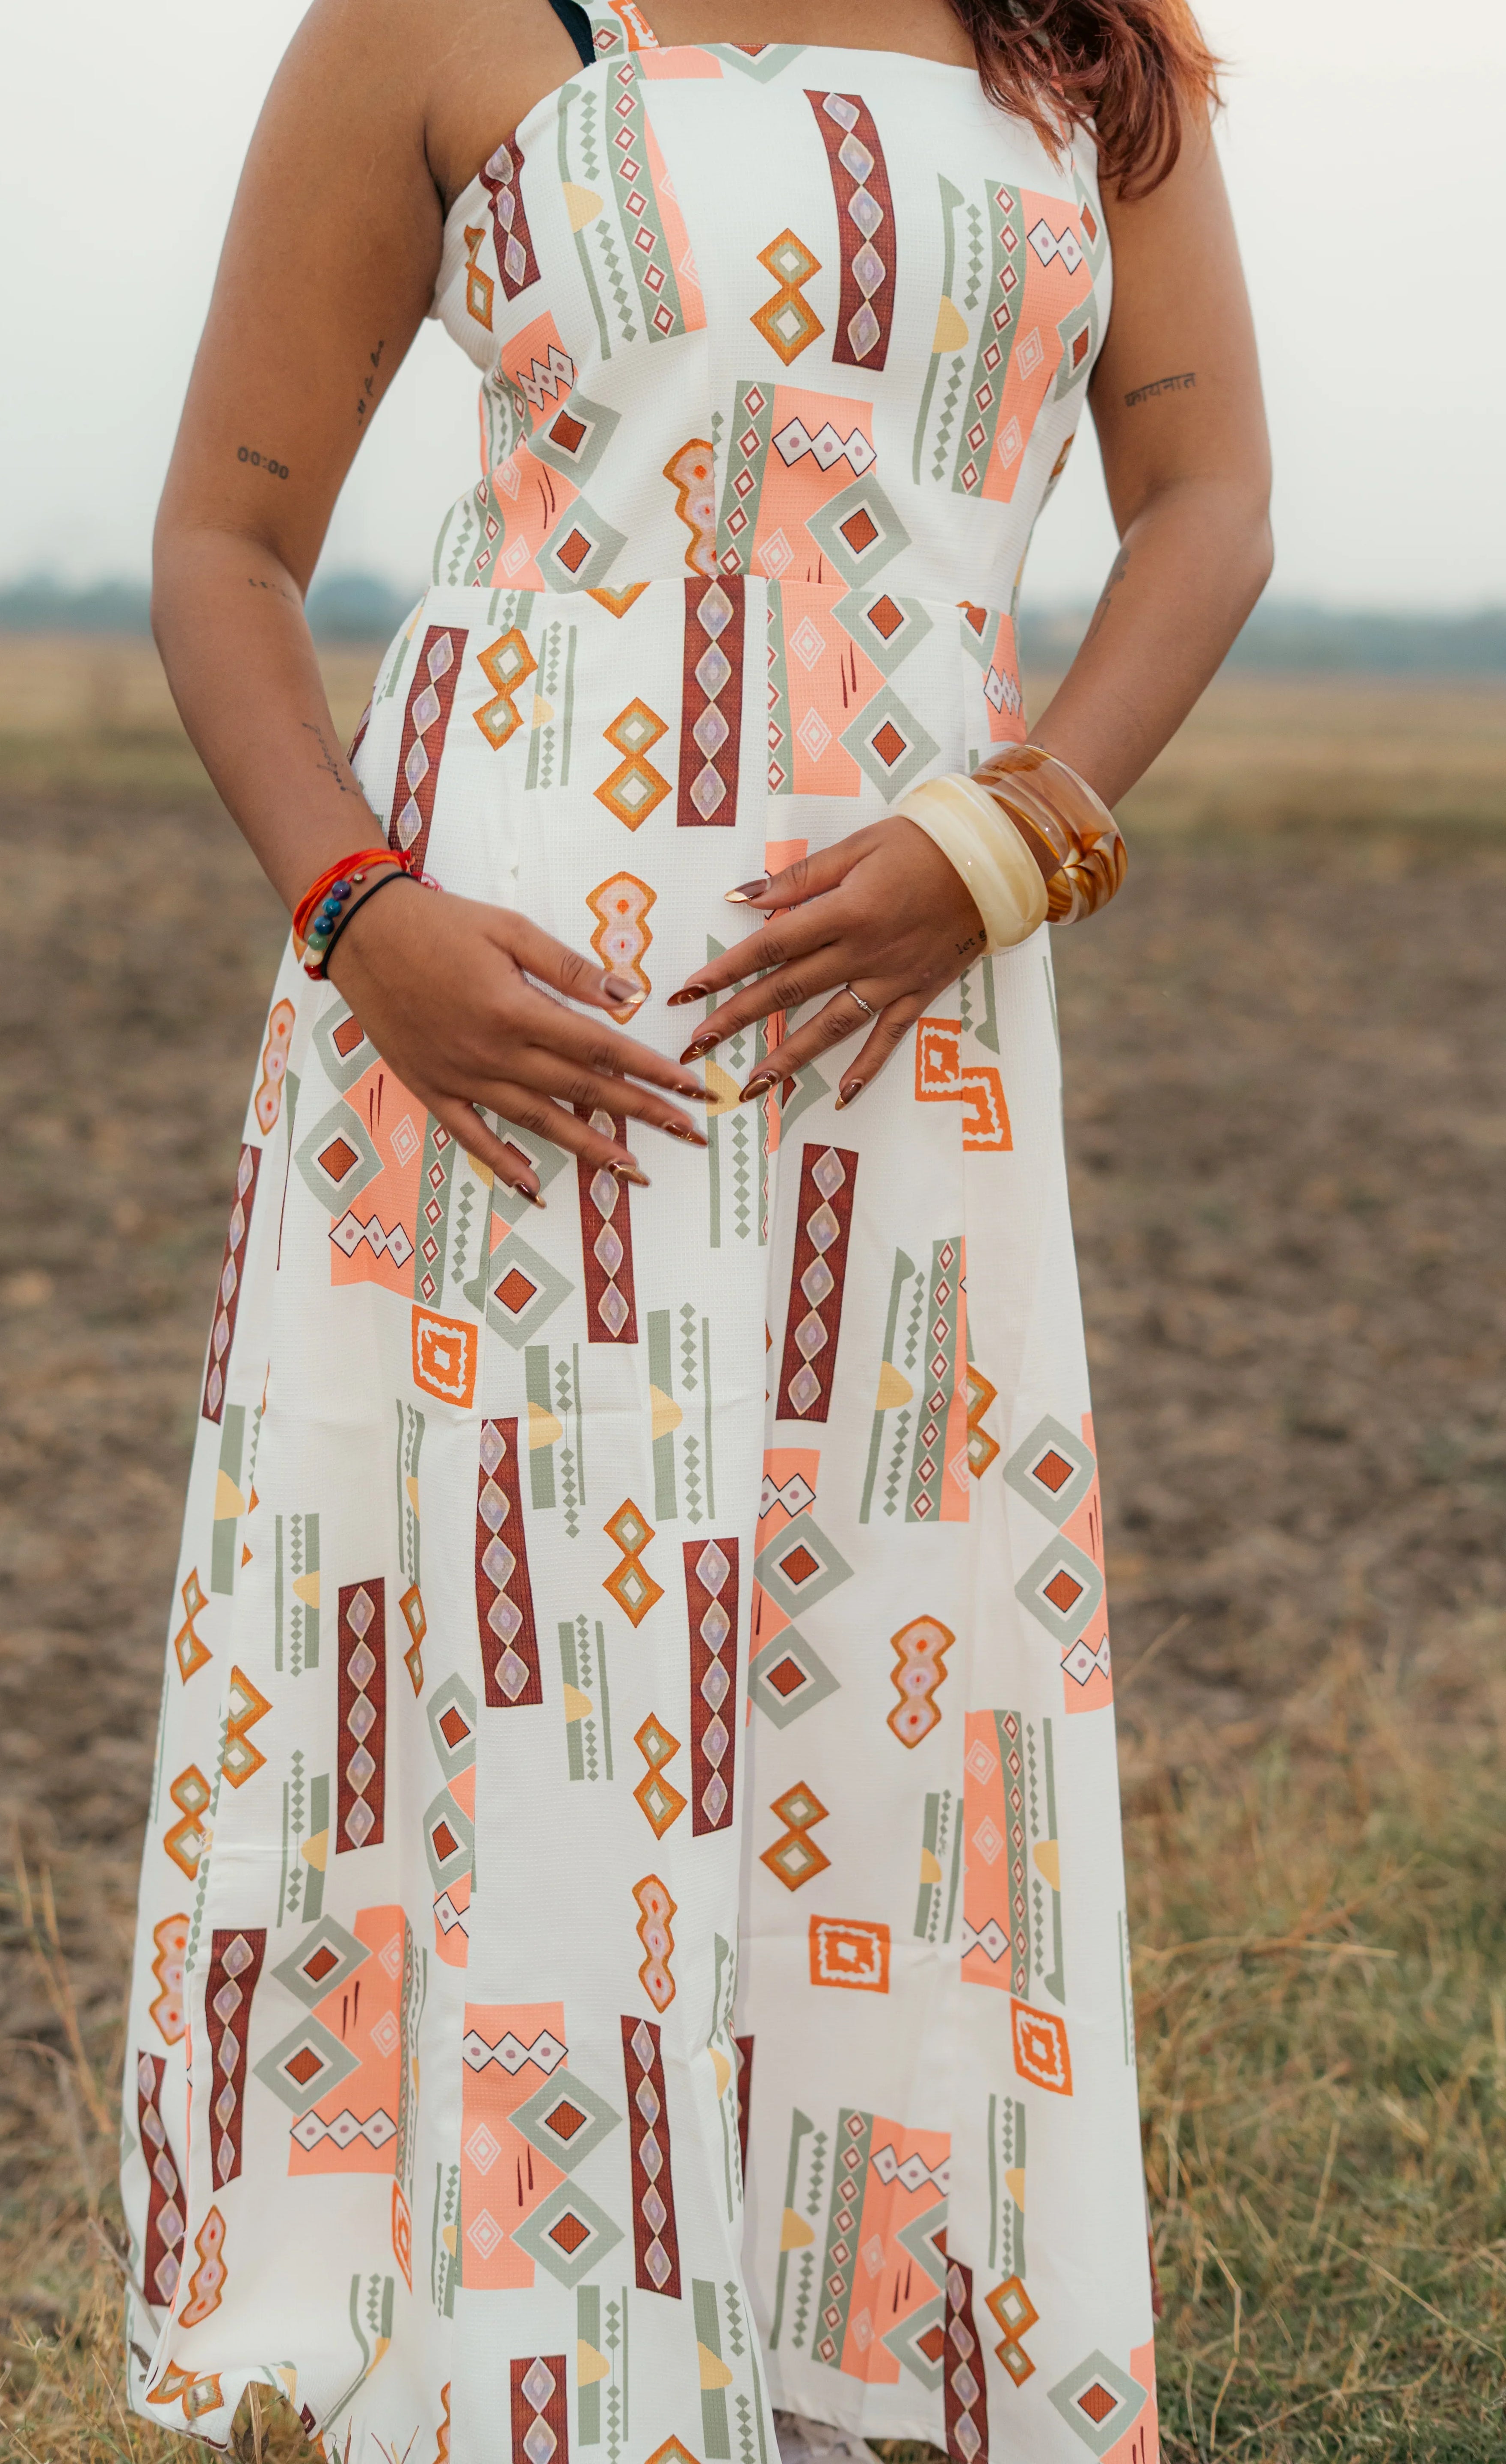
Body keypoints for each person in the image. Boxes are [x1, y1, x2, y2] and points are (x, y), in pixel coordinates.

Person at [121, 0, 1269, 2455]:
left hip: (910, 1001)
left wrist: (1008, 841)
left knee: (883, 1653)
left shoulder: (1081, 48)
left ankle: (876, 2362)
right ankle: (521, 2369)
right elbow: (224, 540)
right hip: (505, 993)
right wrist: (362, 912)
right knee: (529, 1666)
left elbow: (1213, 502)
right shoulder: (446, 24)